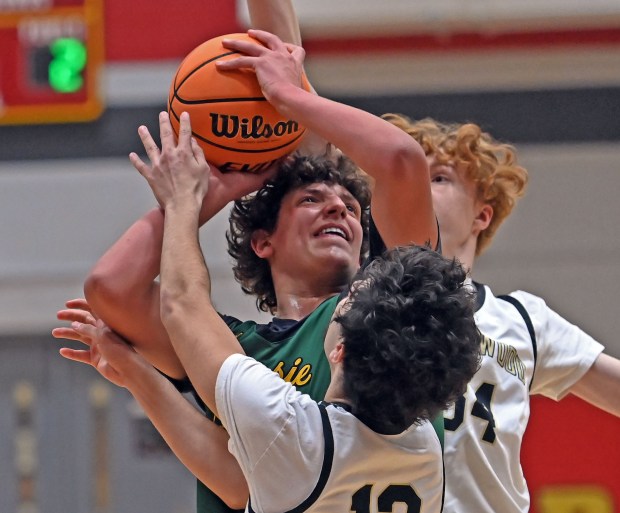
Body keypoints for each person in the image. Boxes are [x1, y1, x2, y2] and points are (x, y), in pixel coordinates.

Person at [55, 25, 439, 512]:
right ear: (264, 241)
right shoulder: (241, 345)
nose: (340, 209)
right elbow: (111, 288)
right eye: (313, 200)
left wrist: (190, 201)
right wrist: (220, 189)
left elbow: (403, 162)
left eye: (349, 207)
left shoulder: (386, 320)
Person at [383, 114, 620, 513]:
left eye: (438, 177)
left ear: (482, 215)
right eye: (407, 176)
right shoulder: (359, 303)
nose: (418, 187)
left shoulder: (523, 320)